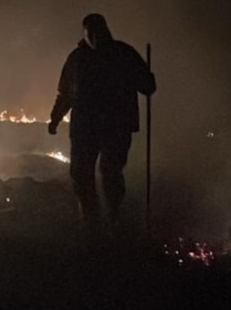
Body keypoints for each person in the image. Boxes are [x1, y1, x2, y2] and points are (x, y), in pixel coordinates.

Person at [48, 14, 156, 232]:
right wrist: (56, 118)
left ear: (106, 30)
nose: (95, 37)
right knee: (81, 173)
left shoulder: (123, 54)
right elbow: (65, 93)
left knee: (111, 172)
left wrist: (146, 78)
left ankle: (112, 217)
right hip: (85, 127)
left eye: (99, 32)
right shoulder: (77, 59)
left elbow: (148, 87)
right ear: (84, 34)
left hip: (116, 126)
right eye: (90, 33)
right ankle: (91, 220)